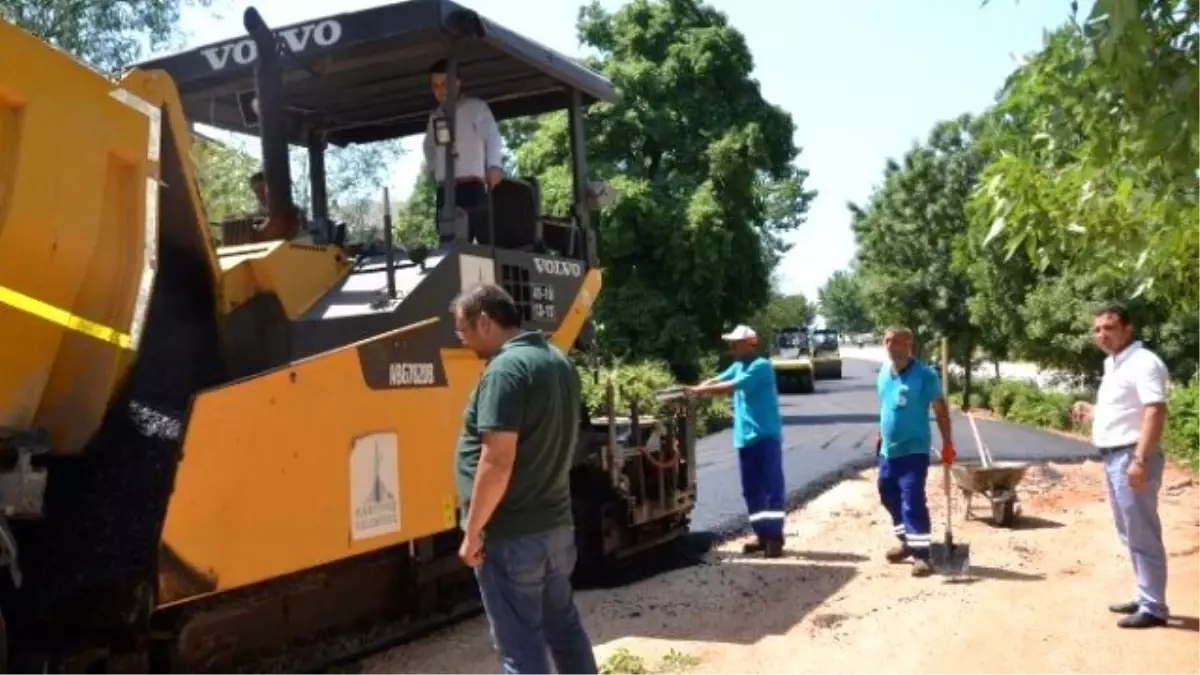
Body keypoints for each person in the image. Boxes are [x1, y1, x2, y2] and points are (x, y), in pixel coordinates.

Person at [451, 283, 598, 675]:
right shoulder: (556, 360)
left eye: (462, 330)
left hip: (512, 535)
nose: (463, 341)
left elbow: (497, 460)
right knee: (564, 631)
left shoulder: (505, 370)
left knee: (520, 648)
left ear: (484, 321)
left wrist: (473, 530)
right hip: (555, 527)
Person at [1071, 302, 1170, 629]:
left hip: (1131, 456)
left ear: (1128, 329)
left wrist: (1140, 460)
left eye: (1109, 328)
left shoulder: (1143, 363)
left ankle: (1154, 607)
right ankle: (1145, 595)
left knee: (1142, 532)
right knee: (1129, 531)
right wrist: (1093, 411)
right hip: (1115, 456)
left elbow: (1154, 411)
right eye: (1097, 329)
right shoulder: (1114, 364)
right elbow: (1124, 411)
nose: (1102, 335)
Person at [687, 325, 786, 558]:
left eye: (735, 342)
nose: (731, 346)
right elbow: (717, 379)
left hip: (765, 437)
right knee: (751, 490)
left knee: (771, 487)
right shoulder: (738, 365)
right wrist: (696, 389)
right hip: (745, 439)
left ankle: (775, 537)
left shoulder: (761, 366)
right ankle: (762, 535)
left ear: (749, 343)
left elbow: (731, 386)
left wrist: (698, 392)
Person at [874, 326, 955, 577]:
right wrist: (880, 433)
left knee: (913, 500)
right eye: (887, 341)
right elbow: (886, 407)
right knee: (887, 494)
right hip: (888, 451)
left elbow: (941, 411)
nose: (890, 346)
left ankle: (922, 556)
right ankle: (908, 541)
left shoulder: (925, 375)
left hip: (914, 450)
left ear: (909, 344)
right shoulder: (884, 373)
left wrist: (948, 444)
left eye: (895, 341)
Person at [424, 59, 505, 219]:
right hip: (444, 189)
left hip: (471, 186)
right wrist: (438, 169)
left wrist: (494, 165)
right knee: (447, 237)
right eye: (435, 86)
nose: (440, 91)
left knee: (474, 235)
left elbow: (492, 137)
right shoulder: (435, 117)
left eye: (444, 84)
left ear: (457, 83)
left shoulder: (475, 107)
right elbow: (428, 148)